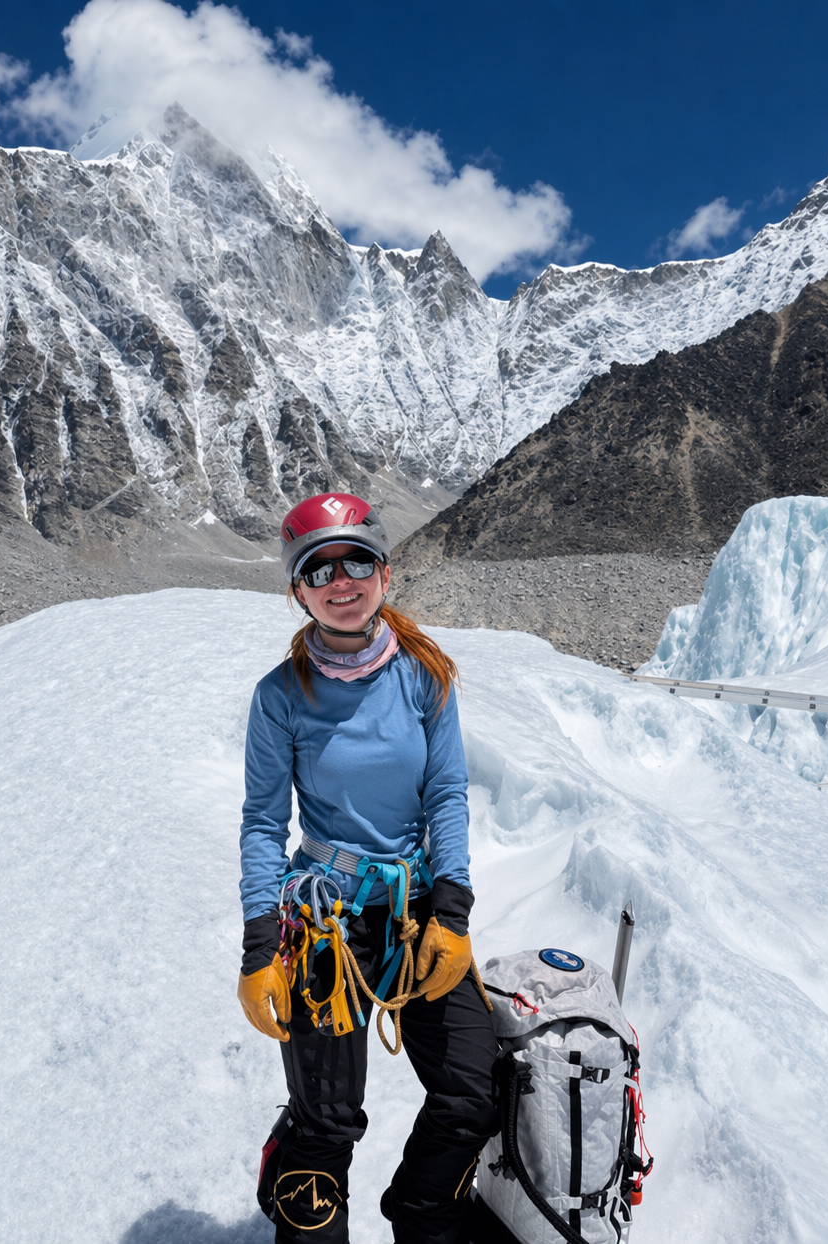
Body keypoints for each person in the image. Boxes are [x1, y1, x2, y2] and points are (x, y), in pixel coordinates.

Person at [237, 491, 498, 1244]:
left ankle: (423, 1214)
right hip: (326, 922)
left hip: (414, 912)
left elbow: (446, 793)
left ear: (385, 573)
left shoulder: (425, 674)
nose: (341, 582)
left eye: (356, 562)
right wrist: (260, 948)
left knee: (470, 1093)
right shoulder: (280, 697)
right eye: (319, 570)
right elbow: (263, 824)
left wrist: (452, 913)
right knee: (327, 1121)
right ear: (299, 591)